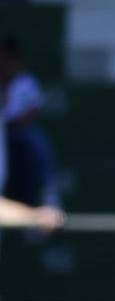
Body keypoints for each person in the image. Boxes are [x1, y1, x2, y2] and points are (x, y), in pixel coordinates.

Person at [0, 36, 57, 208]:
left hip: (17, 133)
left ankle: (48, 195)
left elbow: (31, 113)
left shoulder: (27, 83)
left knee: (36, 141)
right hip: (5, 131)